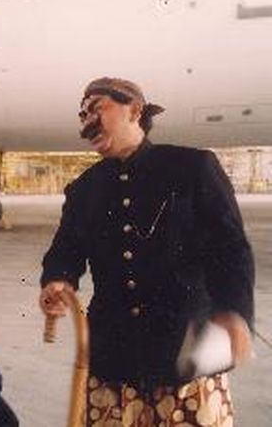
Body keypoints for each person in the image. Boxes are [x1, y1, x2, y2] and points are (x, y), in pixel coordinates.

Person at [39, 77, 255, 426]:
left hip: (185, 357)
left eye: (96, 109)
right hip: (114, 361)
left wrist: (234, 311)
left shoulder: (193, 168)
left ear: (134, 110)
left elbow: (230, 249)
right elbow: (65, 251)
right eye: (81, 115)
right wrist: (57, 281)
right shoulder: (84, 190)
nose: (87, 122)